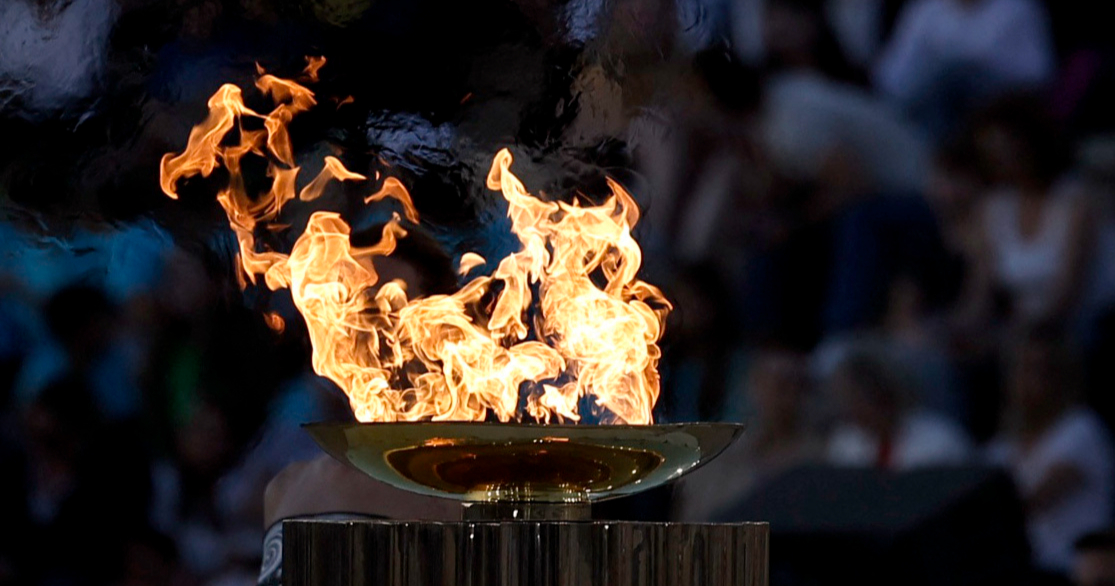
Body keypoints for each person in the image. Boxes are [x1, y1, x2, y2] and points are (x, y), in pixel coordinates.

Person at [956, 95, 1094, 332]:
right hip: (1018, 332)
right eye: (992, 154)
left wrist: (1017, 333)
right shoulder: (994, 207)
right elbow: (979, 292)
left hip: (1075, 330)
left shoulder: (1075, 201)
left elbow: (1067, 292)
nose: (1002, 160)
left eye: (1009, 151)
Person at [987, 327, 1115, 574]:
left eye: (1042, 371)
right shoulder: (1002, 446)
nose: (1029, 382)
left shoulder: (1082, 429)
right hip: (1026, 571)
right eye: (1022, 370)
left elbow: (1032, 502)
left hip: (1073, 571)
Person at [672, 349, 822, 521]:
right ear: (754, 386)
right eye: (771, 383)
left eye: (790, 385)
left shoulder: (818, 456)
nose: (780, 395)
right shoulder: (718, 457)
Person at [874, 0, 1054, 139]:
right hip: (928, 113)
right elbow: (892, 77)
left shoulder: (1015, 9)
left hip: (993, 113)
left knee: (960, 74)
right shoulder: (926, 9)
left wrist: (979, 67)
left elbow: (1036, 75)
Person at [825, 347, 971, 470]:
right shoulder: (845, 443)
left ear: (879, 394)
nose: (848, 410)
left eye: (855, 399)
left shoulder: (940, 440)